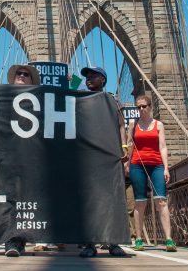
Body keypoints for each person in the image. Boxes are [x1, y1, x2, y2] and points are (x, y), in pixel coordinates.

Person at [77, 66, 128, 258]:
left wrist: (124, 150)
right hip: (87, 155)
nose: (89, 78)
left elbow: (122, 126)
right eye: (87, 76)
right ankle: (90, 244)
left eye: (93, 76)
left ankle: (113, 242)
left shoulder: (112, 100)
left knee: (111, 198)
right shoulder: (81, 97)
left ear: (103, 80)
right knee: (89, 199)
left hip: (109, 155)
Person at [128, 95, 176, 252]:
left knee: (161, 201)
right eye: (138, 107)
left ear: (150, 106)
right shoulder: (133, 124)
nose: (141, 109)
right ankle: (139, 239)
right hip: (137, 165)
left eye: (144, 106)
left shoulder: (158, 125)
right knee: (140, 202)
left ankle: (169, 240)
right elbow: (129, 145)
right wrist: (127, 163)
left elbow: (163, 146)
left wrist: (166, 168)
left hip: (156, 165)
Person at [3, 64, 41, 257]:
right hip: (7, 154)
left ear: (31, 80)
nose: (22, 76)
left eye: (26, 74)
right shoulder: (2, 97)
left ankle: (19, 240)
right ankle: (10, 240)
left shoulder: (40, 100)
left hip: (30, 156)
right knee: (9, 197)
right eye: (19, 73)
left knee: (26, 199)